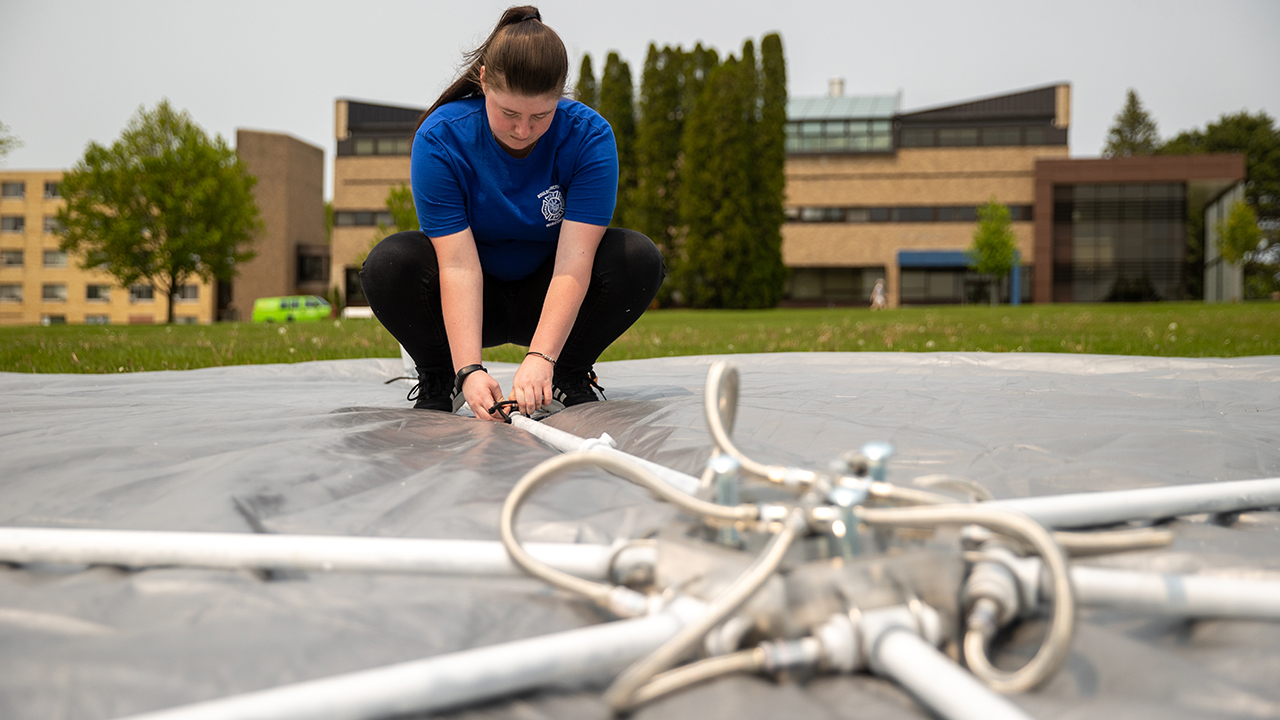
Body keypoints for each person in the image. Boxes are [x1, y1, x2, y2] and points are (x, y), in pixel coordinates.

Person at [360, 6, 665, 422]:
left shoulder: (591, 138)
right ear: (484, 81)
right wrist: (468, 368)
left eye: (541, 115)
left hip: (548, 296)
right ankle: (440, 375)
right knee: (389, 263)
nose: (523, 131)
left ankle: (567, 373)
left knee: (638, 257)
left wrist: (542, 357)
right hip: (470, 298)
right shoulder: (440, 138)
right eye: (509, 114)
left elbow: (575, 261)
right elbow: (457, 265)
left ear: (560, 96)